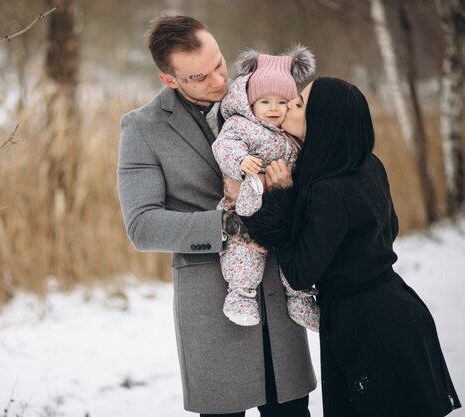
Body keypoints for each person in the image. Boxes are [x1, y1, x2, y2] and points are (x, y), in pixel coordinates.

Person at [117, 15, 316, 417]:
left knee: (293, 412)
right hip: (212, 306)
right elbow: (142, 225)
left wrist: (283, 194)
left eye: (220, 63)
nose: (218, 80)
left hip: (279, 295)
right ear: (169, 80)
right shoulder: (142, 128)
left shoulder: (270, 96)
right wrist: (231, 225)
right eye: (199, 77)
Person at [244, 77, 462, 417]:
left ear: (322, 122)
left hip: (369, 327)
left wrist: (280, 202)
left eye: (299, 104)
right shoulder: (366, 164)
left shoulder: (328, 190)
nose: (287, 106)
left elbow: (301, 272)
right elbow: (390, 229)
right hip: (395, 309)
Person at [211, 46, 319, 331]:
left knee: (294, 251)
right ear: (250, 103)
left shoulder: (291, 135)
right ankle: (240, 296)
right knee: (247, 251)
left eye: (282, 101)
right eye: (265, 101)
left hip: (285, 206)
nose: (274, 108)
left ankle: (300, 298)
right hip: (250, 202)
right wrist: (241, 161)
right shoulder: (241, 126)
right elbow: (224, 146)